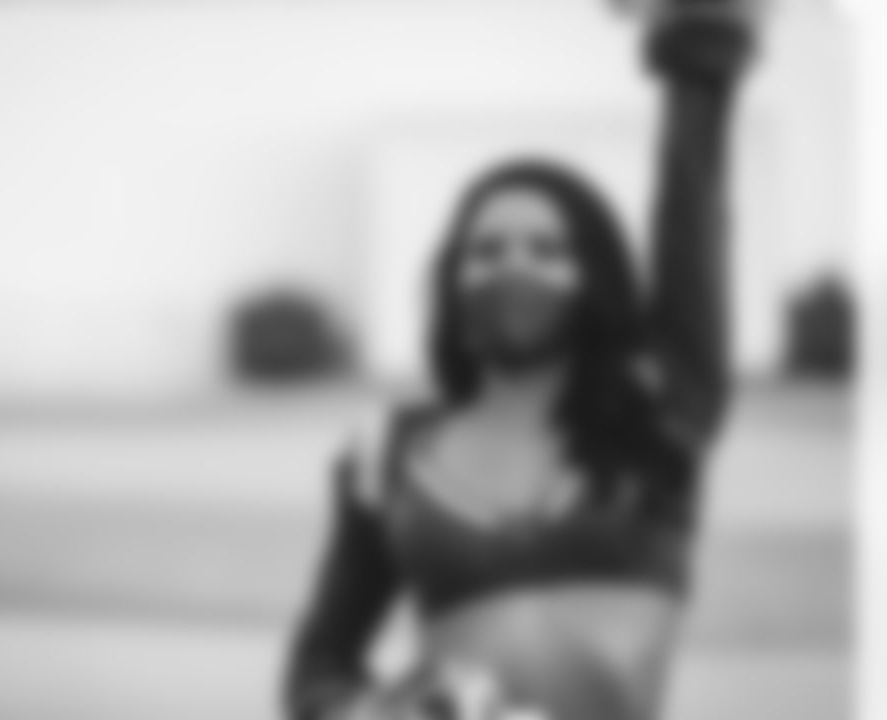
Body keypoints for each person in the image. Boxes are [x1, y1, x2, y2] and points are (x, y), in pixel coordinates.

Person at [283, 3, 760, 720]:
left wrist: (698, 56)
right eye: (486, 251)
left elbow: (694, 212)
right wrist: (375, 714)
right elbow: (319, 666)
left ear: (596, 278)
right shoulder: (388, 453)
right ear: (452, 281)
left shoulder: (660, 416)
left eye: (548, 250)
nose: (514, 267)